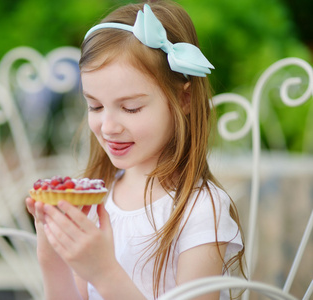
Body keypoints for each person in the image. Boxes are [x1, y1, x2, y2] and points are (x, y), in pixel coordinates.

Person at [26, 1, 245, 299]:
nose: (108, 126)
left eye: (131, 108)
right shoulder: (96, 198)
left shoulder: (200, 210)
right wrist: (52, 261)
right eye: (95, 106)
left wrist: (105, 274)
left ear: (184, 100)